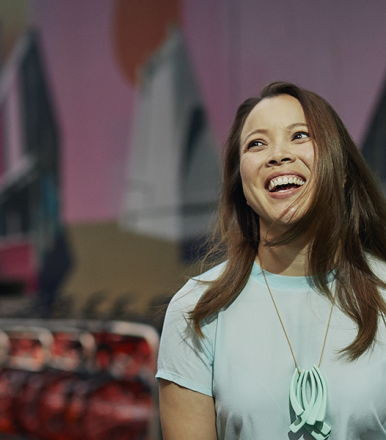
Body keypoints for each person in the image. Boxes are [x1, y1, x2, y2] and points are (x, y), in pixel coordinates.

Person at [155, 82, 386, 440]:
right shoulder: (195, 311)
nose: (278, 155)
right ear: (241, 186)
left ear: (341, 171)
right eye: (256, 144)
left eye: (299, 136)